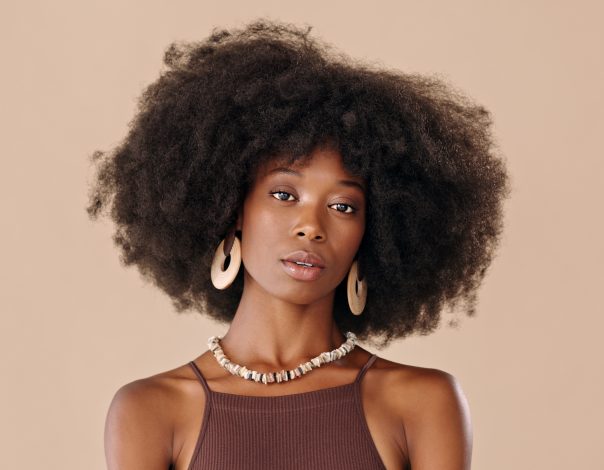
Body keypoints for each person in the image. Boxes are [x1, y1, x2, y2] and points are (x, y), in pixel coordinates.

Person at [86, 19, 509, 470]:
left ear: (374, 233)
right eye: (285, 195)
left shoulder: (421, 402)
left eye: (344, 206)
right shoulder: (152, 409)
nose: (311, 226)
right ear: (232, 211)